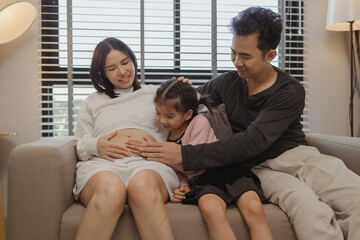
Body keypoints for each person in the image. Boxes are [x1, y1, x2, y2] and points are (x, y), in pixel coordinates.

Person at [138, 6, 360, 240]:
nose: (236, 62)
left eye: (245, 56)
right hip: (256, 167)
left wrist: (184, 154)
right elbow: (186, 104)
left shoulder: (290, 91)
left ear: (270, 55)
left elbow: (253, 141)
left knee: (354, 195)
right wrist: (183, 89)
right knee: (310, 210)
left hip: (296, 156)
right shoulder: (226, 83)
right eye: (234, 52)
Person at [127, 79, 273, 240]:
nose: (162, 120)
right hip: (203, 180)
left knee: (253, 208)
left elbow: (195, 160)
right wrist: (183, 187)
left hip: (227, 169)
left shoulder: (198, 122)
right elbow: (179, 173)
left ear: (188, 114)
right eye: (158, 113)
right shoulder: (165, 137)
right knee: (211, 210)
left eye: (169, 116)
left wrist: (160, 152)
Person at [73, 37, 179, 240]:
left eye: (124, 62)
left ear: (132, 59)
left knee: (142, 187)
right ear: (102, 73)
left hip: (149, 165)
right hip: (102, 166)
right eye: (111, 68)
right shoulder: (93, 101)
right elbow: (80, 144)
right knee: (112, 190)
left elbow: (195, 110)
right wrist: (97, 145)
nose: (122, 72)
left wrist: (184, 88)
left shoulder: (157, 93)